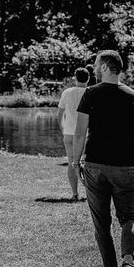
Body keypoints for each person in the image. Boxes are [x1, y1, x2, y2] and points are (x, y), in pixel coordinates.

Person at [72, 50, 134, 267]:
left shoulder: (90, 94)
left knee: (101, 222)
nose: (94, 68)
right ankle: (128, 261)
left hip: (95, 165)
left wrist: (76, 162)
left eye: (97, 64)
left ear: (105, 67)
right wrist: (133, 163)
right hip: (124, 166)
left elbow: (79, 133)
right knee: (129, 218)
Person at [56, 67, 89, 201]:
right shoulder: (91, 92)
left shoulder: (67, 92)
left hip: (69, 133)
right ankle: (90, 192)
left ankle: (75, 194)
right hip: (86, 133)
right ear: (88, 78)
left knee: (72, 163)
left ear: (75, 78)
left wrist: (63, 129)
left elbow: (59, 114)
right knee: (87, 163)